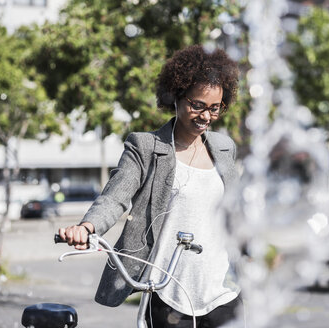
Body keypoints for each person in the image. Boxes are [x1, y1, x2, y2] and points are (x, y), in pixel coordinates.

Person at [58, 44, 241, 327]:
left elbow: (238, 211)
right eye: (197, 105)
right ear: (177, 97)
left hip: (224, 293)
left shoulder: (224, 148)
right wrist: (86, 227)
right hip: (167, 294)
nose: (206, 117)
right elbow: (114, 198)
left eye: (215, 109)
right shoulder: (145, 147)